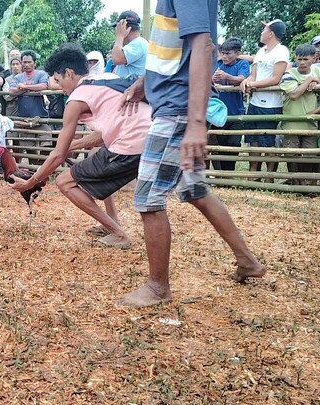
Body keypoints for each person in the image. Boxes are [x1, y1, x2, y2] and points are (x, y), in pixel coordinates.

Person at [117, 0, 265, 307]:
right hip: (177, 101)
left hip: (178, 107)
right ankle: (248, 261)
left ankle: (158, 287)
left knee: (148, 197)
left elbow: (203, 46)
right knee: (194, 189)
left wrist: (196, 122)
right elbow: (176, 49)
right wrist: (147, 82)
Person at [11, 43, 152, 250]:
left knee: (64, 181)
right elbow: (105, 133)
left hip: (130, 144)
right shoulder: (107, 78)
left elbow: (58, 156)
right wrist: (73, 145)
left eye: (58, 80)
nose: (60, 87)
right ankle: (111, 223)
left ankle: (118, 234)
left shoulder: (76, 98)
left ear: (69, 73)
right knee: (96, 157)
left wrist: (31, 182)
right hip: (151, 136)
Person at [240, 19, 290, 178]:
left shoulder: (282, 51)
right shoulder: (261, 52)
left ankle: (269, 176)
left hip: (271, 104)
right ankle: (253, 173)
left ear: (271, 33)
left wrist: (253, 84)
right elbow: (253, 74)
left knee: (267, 141)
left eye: (264, 30)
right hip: (254, 102)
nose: (261, 33)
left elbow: (276, 78)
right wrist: (246, 81)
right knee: (252, 139)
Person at [279, 44, 320, 184]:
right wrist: (310, 80)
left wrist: (318, 82)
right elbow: (293, 94)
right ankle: (294, 182)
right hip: (292, 121)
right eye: (299, 59)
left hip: (311, 122)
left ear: (314, 58)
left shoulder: (317, 71)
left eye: (305, 59)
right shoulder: (289, 74)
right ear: (295, 59)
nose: (302, 62)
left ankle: (306, 183)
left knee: (310, 154)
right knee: (291, 153)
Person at [211, 37, 250, 171]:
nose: (225, 56)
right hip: (218, 113)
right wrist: (213, 79)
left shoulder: (242, 64)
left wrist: (226, 77)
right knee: (219, 144)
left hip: (235, 112)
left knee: (233, 144)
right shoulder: (218, 65)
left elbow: (241, 79)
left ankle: (229, 173)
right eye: (223, 53)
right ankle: (221, 175)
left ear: (237, 54)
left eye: (228, 53)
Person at [8, 50, 51, 164]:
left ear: (34, 63)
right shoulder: (18, 77)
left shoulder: (40, 74)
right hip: (24, 117)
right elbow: (11, 91)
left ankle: (43, 166)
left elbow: (43, 86)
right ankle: (35, 167)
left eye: (29, 62)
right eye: (24, 62)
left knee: (47, 141)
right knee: (28, 145)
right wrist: (25, 88)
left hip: (40, 116)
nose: (26, 65)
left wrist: (24, 87)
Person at [110, 10, 148, 78]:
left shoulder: (139, 43)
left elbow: (116, 59)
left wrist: (120, 36)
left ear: (124, 27)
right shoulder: (135, 44)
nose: (115, 30)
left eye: (117, 27)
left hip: (130, 87)